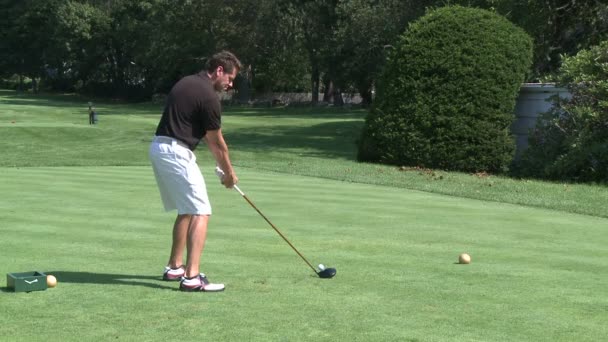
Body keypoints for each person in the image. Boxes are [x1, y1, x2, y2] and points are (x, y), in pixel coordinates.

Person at [149, 51, 241, 292]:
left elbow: (210, 141)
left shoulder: (187, 81)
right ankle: (192, 278)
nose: (230, 85)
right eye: (230, 78)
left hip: (159, 148)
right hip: (176, 152)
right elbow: (217, 142)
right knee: (201, 210)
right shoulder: (209, 97)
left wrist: (225, 170)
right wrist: (229, 175)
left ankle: (174, 267)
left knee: (187, 209)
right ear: (219, 70)